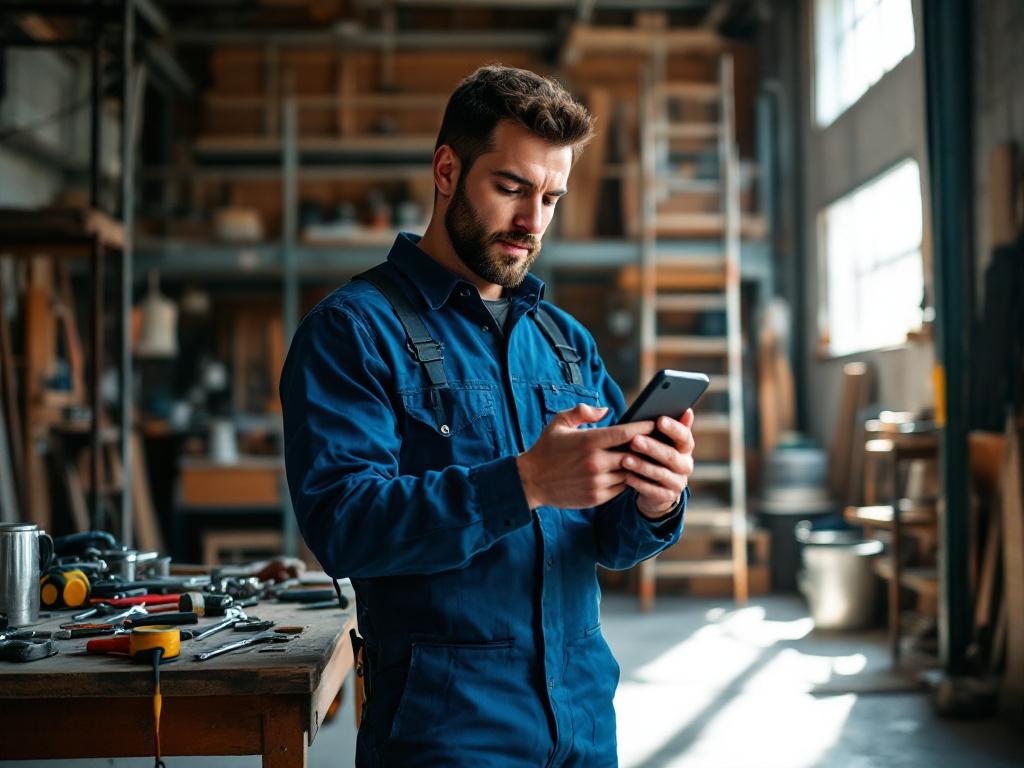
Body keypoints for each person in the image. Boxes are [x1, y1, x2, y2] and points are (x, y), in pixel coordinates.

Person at [280, 65, 695, 767]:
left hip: (584, 723)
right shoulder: (352, 331)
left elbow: (608, 541)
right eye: (511, 189)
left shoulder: (565, 343)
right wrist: (525, 482)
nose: (533, 222)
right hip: (448, 733)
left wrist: (655, 501)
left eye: (551, 198)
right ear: (447, 171)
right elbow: (343, 529)